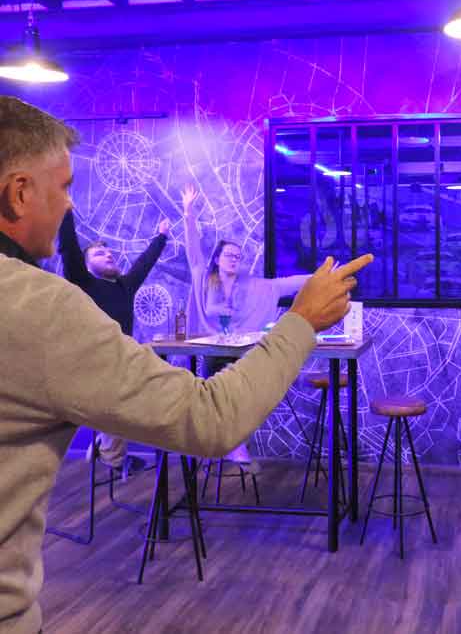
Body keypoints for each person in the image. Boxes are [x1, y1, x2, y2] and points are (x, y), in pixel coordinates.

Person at [0, 95, 373, 633]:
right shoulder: (36, 306)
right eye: (64, 187)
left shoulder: (253, 285)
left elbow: (281, 283)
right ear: (19, 193)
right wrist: (303, 320)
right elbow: (210, 417)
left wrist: (308, 290)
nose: (69, 205)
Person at [181, 181, 314, 470]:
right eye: (229, 255)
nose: (234, 260)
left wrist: (319, 278)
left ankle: (233, 444)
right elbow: (192, 247)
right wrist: (188, 213)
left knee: (240, 393)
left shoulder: (250, 285)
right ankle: (228, 444)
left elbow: (283, 284)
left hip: (242, 353)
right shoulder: (203, 277)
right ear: (217, 258)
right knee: (212, 393)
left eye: (238, 257)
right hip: (213, 350)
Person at [58, 209, 172, 474]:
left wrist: (162, 236)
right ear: (86, 266)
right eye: (99, 254)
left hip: (121, 366)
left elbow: (144, 264)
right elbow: (68, 247)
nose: (108, 255)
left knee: (155, 389)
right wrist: (65, 209)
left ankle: (105, 444)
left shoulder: (124, 286)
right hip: (90, 369)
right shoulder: (82, 282)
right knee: (121, 390)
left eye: (109, 253)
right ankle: (113, 456)